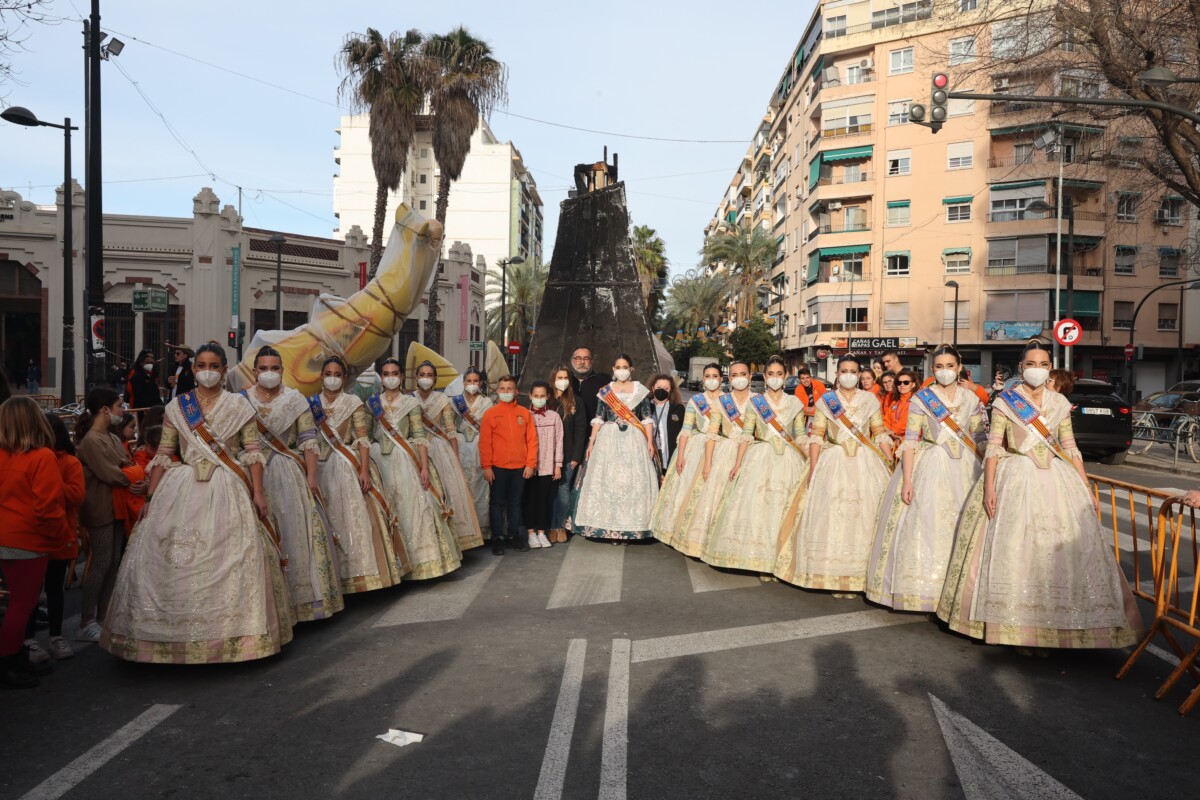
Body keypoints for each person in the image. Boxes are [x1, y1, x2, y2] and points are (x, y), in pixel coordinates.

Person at [938, 339, 1143, 650]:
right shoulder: (1006, 401)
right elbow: (994, 447)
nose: (1036, 369)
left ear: (1050, 369)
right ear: (1021, 368)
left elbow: (1070, 447)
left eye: (1042, 364)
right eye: (1030, 364)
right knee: (1014, 548)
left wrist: (1085, 486)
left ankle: (1065, 626)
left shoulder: (1059, 403)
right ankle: (1013, 624)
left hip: (1058, 481)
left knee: (1061, 550)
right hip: (1016, 476)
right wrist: (989, 487)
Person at [103, 343, 295, 663]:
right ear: (194, 369)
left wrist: (259, 493)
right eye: (202, 364)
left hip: (227, 487)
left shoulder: (239, 405)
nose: (207, 370)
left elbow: (251, 452)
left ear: (223, 370)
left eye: (214, 365)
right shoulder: (178, 407)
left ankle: (232, 636)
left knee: (231, 557)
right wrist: (150, 498)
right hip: (182, 487)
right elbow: (164, 454)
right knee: (170, 555)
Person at [867, 345, 986, 612]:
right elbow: (910, 441)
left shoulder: (971, 400)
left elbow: (980, 439)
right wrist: (907, 481)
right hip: (930, 464)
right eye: (940, 367)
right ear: (933, 370)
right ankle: (927, 589)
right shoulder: (922, 399)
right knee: (928, 525)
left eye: (950, 366)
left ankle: (959, 588)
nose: (945, 372)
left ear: (959, 368)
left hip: (968, 467)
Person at [776, 353, 893, 597]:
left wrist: (889, 459)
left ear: (859, 374)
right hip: (833, 461)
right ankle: (830, 573)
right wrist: (814, 468)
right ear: (837, 375)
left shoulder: (870, 400)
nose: (848, 375)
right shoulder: (826, 401)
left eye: (853, 371)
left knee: (864, 516)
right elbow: (817, 436)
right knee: (832, 516)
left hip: (865, 462)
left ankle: (860, 575)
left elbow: (879, 431)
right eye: (844, 371)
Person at [244, 346, 344, 620]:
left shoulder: (295, 400)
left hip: (286, 472)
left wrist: (311, 479)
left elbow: (308, 440)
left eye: (274, 369)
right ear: (254, 371)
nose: (269, 374)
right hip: (248, 472)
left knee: (293, 533)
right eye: (263, 369)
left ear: (282, 371)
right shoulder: (240, 400)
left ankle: (299, 601)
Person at [309, 356, 407, 594]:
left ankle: (359, 576)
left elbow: (363, 438)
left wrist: (363, 469)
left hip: (346, 468)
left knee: (352, 518)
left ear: (344, 378)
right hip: (317, 468)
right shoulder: (310, 403)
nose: (333, 378)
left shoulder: (353, 402)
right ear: (321, 376)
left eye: (337, 374)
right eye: (328, 374)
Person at [704, 356, 808, 573]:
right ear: (765, 376)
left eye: (780, 374)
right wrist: (738, 464)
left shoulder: (795, 403)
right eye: (771, 374)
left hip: (789, 460)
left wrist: (811, 460)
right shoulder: (756, 403)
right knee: (759, 507)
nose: (775, 378)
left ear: (786, 376)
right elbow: (746, 434)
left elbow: (800, 435)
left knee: (785, 507)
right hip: (759, 458)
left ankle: (783, 559)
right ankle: (762, 560)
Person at [368, 358, 461, 579]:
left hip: (405, 462)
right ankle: (392, 564)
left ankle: (418, 563)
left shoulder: (410, 404)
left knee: (410, 507)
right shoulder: (372, 403)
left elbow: (419, 436)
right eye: (386, 373)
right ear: (382, 376)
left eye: (395, 373)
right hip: (378, 461)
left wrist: (424, 468)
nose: (390, 377)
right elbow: (367, 434)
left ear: (401, 377)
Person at [0, 398, 66, 688]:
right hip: (29, 539)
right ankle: (9, 662)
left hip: (5, 535)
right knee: (22, 605)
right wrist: (61, 538)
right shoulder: (42, 457)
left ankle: (15, 656)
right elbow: (48, 508)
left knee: (15, 604)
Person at [74, 387, 138, 643]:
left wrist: (132, 476)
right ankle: (86, 619)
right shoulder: (91, 440)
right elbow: (110, 471)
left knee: (113, 561)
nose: (122, 411)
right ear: (105, 409)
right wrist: (132, 480)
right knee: (101, 562)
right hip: (99, 506)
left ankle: (102, 616)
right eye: (119, 406)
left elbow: (126, 463)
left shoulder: (110, 437)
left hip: (116, 504)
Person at [574, 354, 659, 542]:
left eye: (625, 366)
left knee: (632, 481)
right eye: (618, 366)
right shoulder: (606, 391)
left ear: (631, 369)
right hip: (608, 439)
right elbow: (599, 417)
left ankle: (632, 528)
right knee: (608, 479)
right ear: (613, 369)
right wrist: (592, 441)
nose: (622, 370)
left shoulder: (640, 390)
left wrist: (650, 442)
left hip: (634, 439)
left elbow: (646, 418)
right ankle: (606, 526)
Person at [23, 413, 84, 665]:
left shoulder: (70, 462)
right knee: (30, 592)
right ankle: (28, 639)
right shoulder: (31, 458)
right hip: (33, 535)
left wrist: (52, 483)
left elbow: (77, 495)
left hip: (60, 534)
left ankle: (56, 636)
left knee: (55, 588)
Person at [652, 363, 724, 552]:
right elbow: (685, 430)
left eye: (715, 376)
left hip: (723, 448)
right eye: (707, 376)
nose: (711, 379)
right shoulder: (695, 401)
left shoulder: (728, 400)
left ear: (721, 379)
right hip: (697, 446)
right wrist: (681, 455)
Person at [413, 361, 484, 551]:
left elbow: (450, 430)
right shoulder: (409, 399)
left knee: (446, 492)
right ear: (416, 377)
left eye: (429, 375)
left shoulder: (442, 399)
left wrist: (455, 461)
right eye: (422, 374)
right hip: (416, 449)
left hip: (439, 448)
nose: (426, 378)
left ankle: (452, 541)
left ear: (435, 378)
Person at [479, 375, 538, 555]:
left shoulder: (525, 413)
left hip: (520, 467)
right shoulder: (490, 414)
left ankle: (514, 536)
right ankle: (498, 538)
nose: (506, 392)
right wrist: (486, 466)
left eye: (509, 389)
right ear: (497, 392)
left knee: (515, 504)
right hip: (497, 467)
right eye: (502, 389)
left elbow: (532, 440)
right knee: (496, 504)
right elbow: (484, 443)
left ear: (516, 391)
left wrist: (530, 464)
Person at [450, 367, 493, 541]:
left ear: (480, 383)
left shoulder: (487, 402)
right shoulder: (455, 402)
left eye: (476, 381)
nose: (472, 384)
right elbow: (450, 426)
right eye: (469, 381)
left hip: (479, 446)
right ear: (463, 382)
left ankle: (483, 529)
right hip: (460, 446)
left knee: (481, 488)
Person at [523, 380, 563, 549]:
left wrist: (557, 464)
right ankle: (530, 532)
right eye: (536, 396)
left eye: (542, 396)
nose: (539, 399)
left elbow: (559, 441)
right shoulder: (524, 415)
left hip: (547, 465)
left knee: (544, 500)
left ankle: (541, 531)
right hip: (529, 466)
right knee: (529, 499)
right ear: (530, 396)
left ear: (548, 396)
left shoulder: (554, 417)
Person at [549, 364, 587, 542]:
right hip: (547, 454)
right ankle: (549, 525)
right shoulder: (547, 399)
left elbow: (581, 429)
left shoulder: (576, 401)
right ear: (553, 379)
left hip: (568, 453)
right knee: (548, 490)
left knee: (564, 489)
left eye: (565, 378)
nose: (562, 381)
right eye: (559, 378)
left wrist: (576, 456)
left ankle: (560, 526)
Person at [648, 373, 685, 476]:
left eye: (666, 388)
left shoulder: (678, 409)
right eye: (658, 387)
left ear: (671, 390)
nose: (662, 390)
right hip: (651, 457)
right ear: (652, 388)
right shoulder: (645, 408)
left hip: (672, 458)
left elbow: (684, 433)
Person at [568, 346, 611, 423]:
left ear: (592, 361)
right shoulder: (565, 379)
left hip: (596, 430)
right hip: (569, 431)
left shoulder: (603, 381)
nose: (582, 362)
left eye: (586, 358)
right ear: (572, 361)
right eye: (578, 358)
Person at [884, 368, 918, 442]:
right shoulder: (895, 402)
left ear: (913, 384)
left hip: (910, 441)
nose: (902, 385)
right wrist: (888, 432)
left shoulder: (917, 401)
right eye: (899, 383)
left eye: (906, 382)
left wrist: (892, 431)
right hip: (892, 437)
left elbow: (908, 421)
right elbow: (886, 420)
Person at [793, 366, 827, 433]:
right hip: (807, 416)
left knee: (821, 437)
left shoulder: (819, 385)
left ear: (810, 377)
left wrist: (815, 407)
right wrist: (806, 409)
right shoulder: (798, 390)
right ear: (799, 380)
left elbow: (825, 399)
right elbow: (799, 406)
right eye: (803, 378)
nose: (806, 380)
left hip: (820, 414)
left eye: (807, 377)